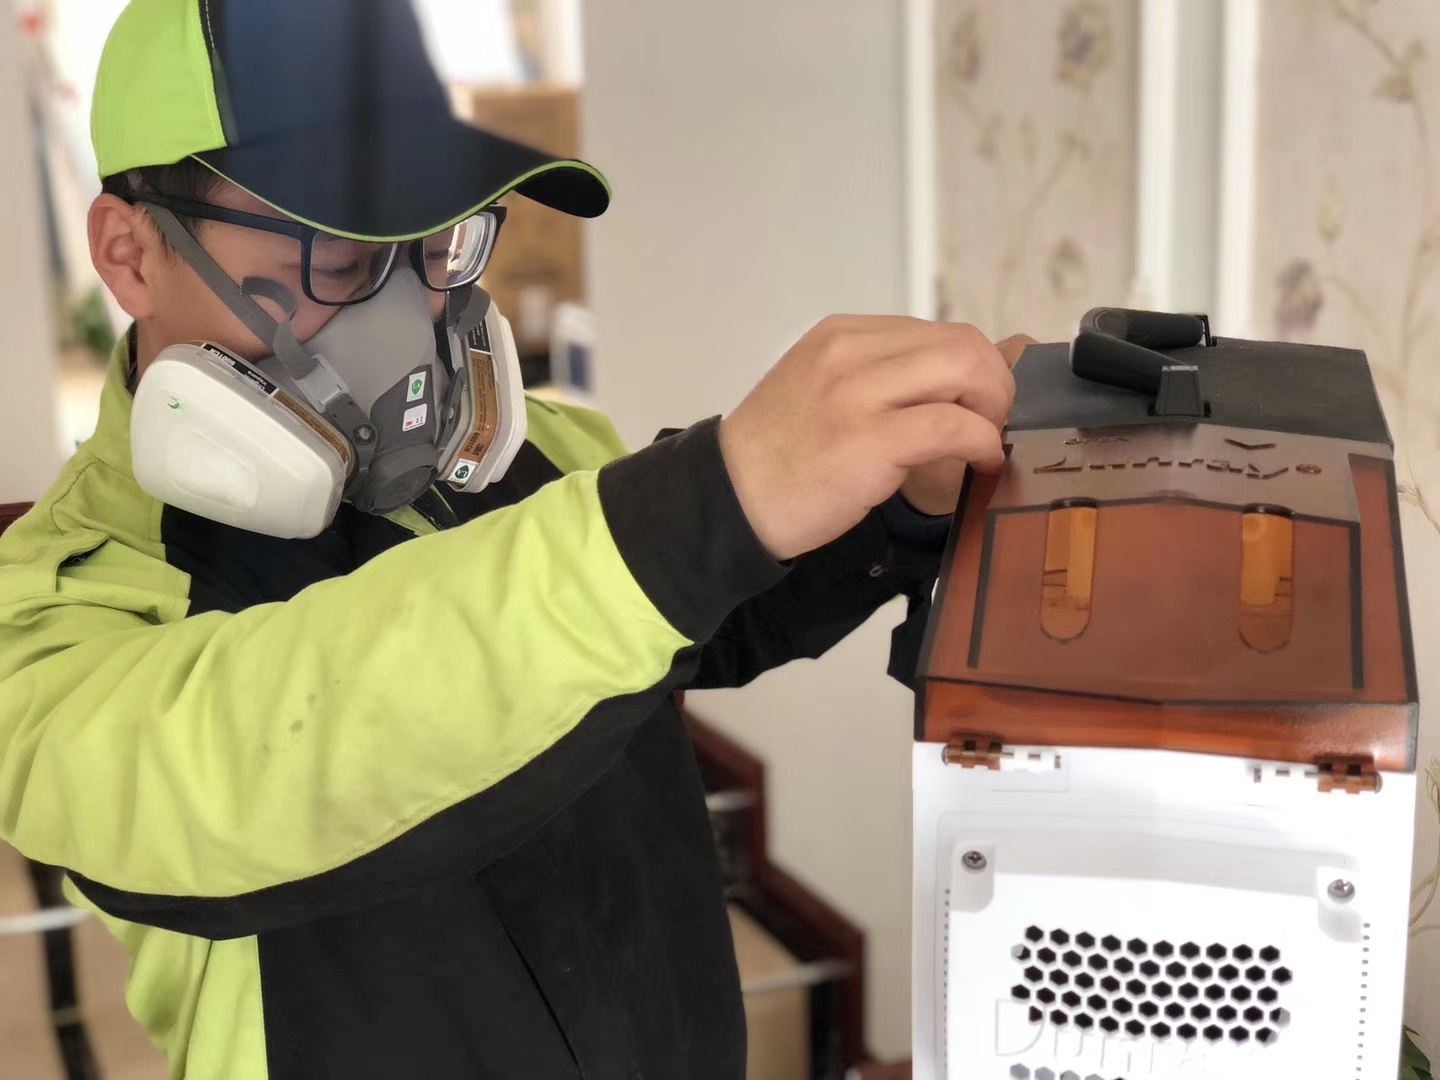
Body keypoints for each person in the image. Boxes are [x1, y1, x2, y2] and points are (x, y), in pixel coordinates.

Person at [0, 1, 1028, 1077]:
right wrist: (703, 504)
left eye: (432, 240)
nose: (410, 319)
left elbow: (688, 625)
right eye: (338, 255)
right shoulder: (62, 609)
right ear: (130, 253)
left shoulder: (527, 453)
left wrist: (891, 505)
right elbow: (246, 767)